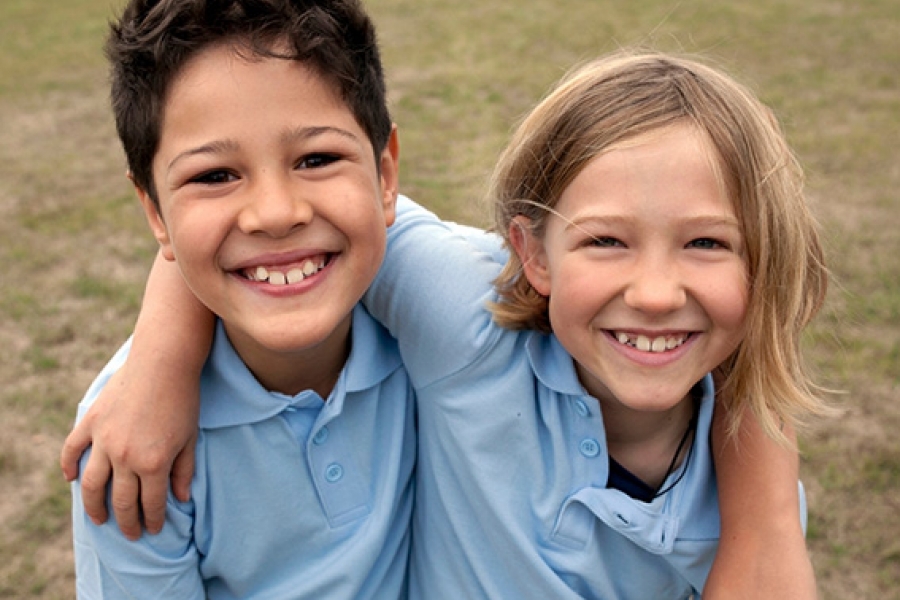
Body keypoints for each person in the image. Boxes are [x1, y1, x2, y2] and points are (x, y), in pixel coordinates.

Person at [62, 41, 824, 600]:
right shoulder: (470, 322)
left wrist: (763, 517)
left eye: (705, 243)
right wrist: (161, 358)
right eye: (605, 240)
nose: (655, 292)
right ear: (533, 253)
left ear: (762, 265)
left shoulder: (748, 492)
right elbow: (277, 231)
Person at [69, 0, 415, 597]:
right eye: (214, 175)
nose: (276, 214)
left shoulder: (441, 327)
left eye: (317, 159)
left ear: (385, 176)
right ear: (154, 210)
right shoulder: (131, 444)